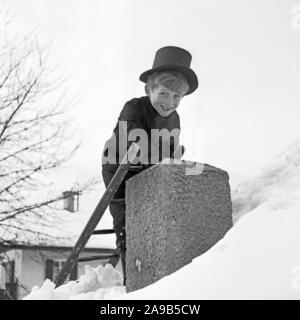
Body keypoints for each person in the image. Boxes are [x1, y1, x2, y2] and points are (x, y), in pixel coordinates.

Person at [101, 46, 198, 285]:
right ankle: (131, 278)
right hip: (119, 166)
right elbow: (135, 140)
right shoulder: (133, 108)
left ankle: (156, 270)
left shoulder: (174, 119)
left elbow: (172, 151)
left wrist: (175, 158)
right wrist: (164, 155)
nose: (170, 102)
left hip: (146, 169)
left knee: (151, 214)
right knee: (125, 218)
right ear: (149, 89)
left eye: (177, 97)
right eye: (164, 94)